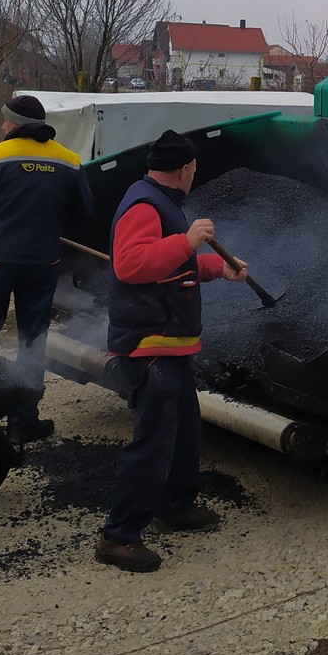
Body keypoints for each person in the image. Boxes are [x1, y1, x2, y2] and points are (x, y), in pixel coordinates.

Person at [95, 130, 248, 573]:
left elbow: (168, 267)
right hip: (150, 345)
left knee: (183, 430)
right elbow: (131, 265)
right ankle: (118, 537)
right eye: (194, 169)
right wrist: (187, 241)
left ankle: (175, 506)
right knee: (154, 441)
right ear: (184, 169)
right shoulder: (144, 205)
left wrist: (215, 267)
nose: (194, 175)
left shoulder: (161, 201)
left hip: (172, 343)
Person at [0, 94, 93, 444]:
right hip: (42, 263)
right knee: (33, 339)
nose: (2, 125)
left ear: (17, 124)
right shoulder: (69, 160)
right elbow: (84, 212)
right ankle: (24, 421)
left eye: (6, 120)